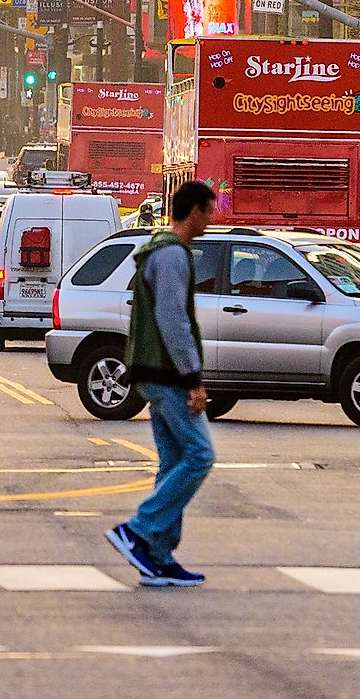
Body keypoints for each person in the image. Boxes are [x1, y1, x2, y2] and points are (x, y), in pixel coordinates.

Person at [109, 180, 218, 587]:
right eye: (210, 210)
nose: (213, 218)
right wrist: (193, 378)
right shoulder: (172, 255)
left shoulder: (159, 249)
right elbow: (173, 320)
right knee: (200, 455)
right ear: (194, 212)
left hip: (150, 370)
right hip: (165, 372)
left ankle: (157, 556)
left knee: (173, 461)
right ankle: (140, 529)